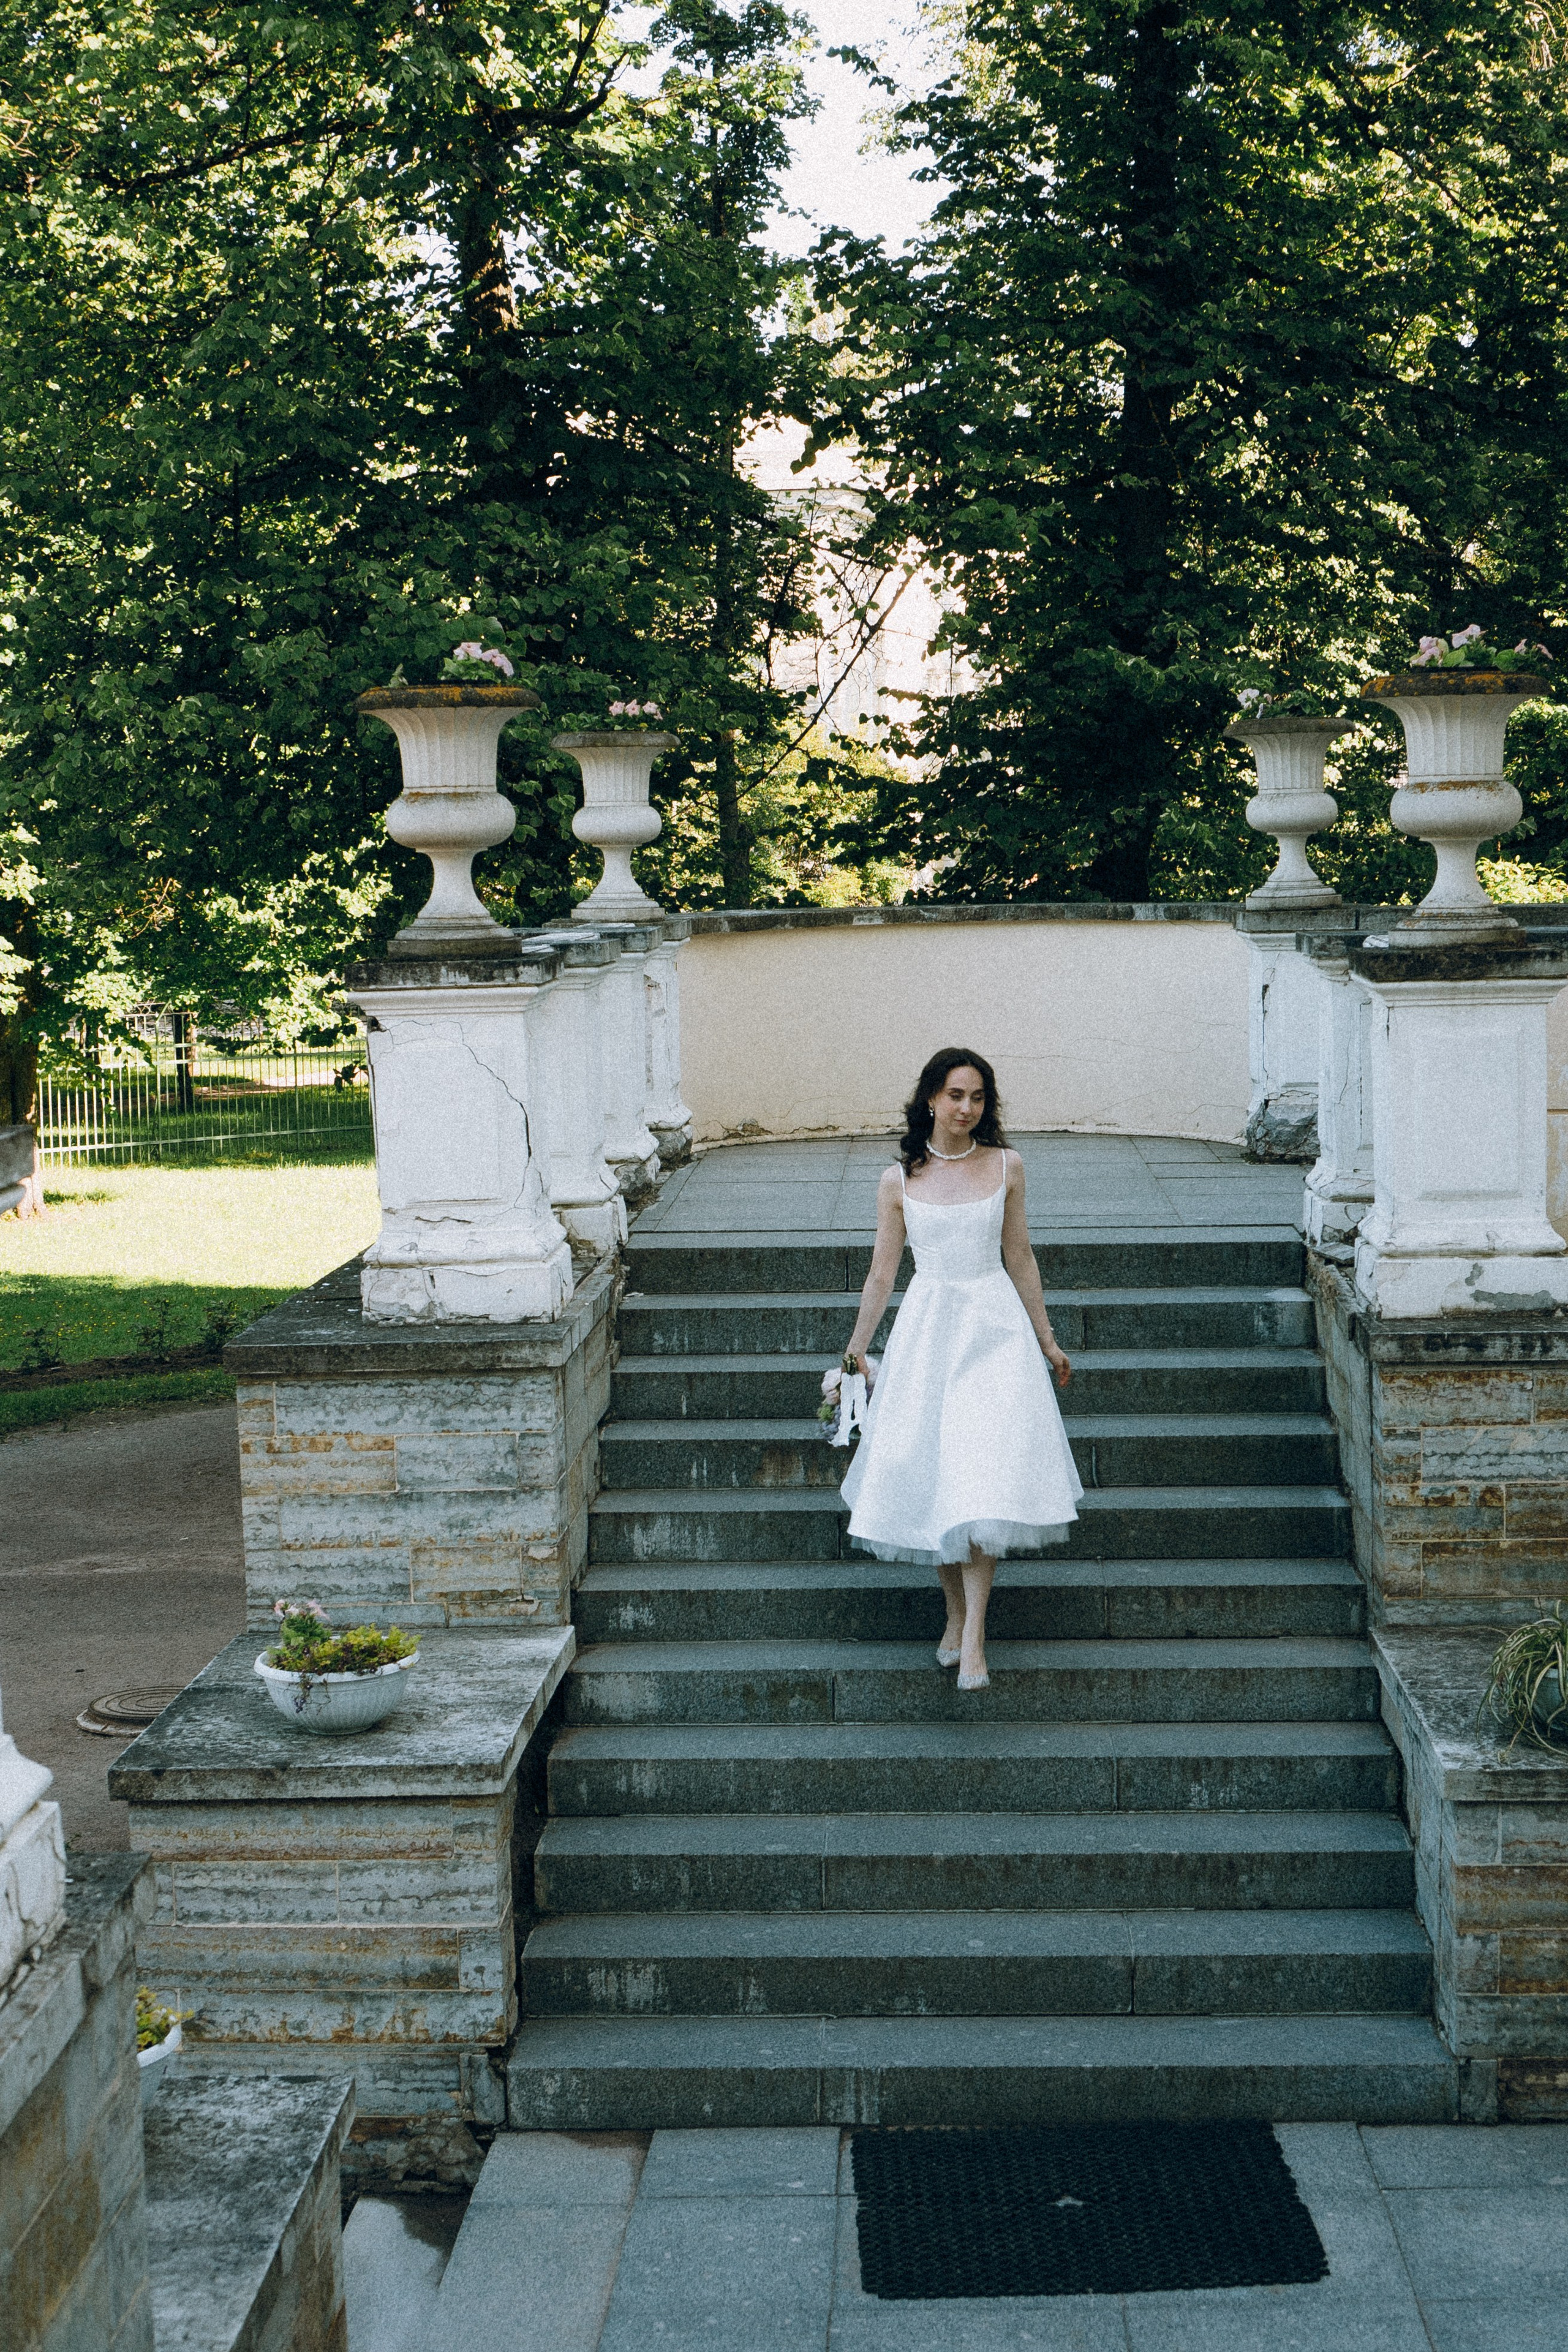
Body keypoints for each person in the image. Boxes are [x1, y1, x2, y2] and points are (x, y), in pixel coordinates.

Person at [839, 1048, 1081, 1691]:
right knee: (936, 1479)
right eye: (954, 1095)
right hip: (928, 1333)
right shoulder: (897, 1180)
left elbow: (1021, 1254)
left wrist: (1047, 1340)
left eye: (976, 1097)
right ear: (930, 1099)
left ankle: (974, 1637)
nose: (965, 1108)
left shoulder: (1007, 1166)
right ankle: (953, 1612)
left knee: (980, 1481)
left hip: (993, 1332)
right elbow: (881, 1274)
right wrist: (854, 1354)